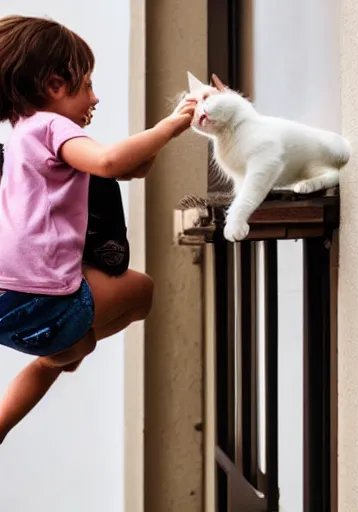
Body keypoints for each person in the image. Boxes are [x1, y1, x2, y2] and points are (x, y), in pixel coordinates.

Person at [0, 15, 196, 443]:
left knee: (59, 359)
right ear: (54, 86)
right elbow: (110, 163)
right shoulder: (53, 126)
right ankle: (71, 342)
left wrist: (162, 138)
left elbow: (133, 168)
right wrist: (170, 126)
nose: (95, 96)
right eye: (86, 85)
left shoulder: (20, 133)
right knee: (141, 292)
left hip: (5, 300)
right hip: (42, 297)